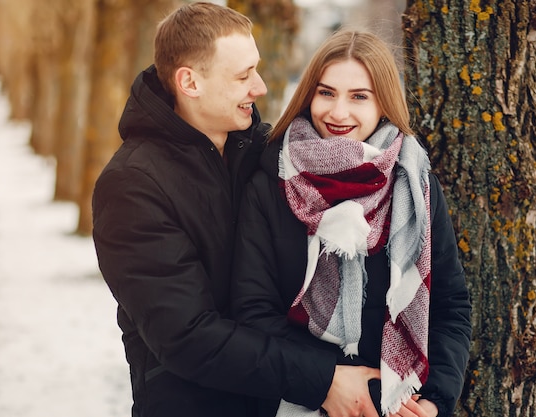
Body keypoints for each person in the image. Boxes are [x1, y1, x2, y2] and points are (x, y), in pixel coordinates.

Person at [93, 3, 382, 417]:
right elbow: (186, 336)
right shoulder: (132, 185)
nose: (260, 87)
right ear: (190, 82)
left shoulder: (265, 156)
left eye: (256, 70)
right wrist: (322, 379)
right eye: (243, 76)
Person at [231, 29, 472, 417]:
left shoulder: (414, 182)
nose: (338, 113)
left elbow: (450, 305)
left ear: (384, 103)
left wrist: (434, 402)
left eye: (359, 96)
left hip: (397, 405)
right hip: (296, 401)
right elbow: (252, 311)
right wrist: (327, 382)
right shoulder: (271, 181)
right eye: (326, 92)